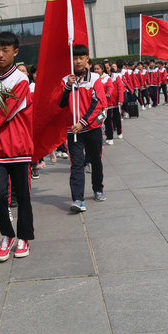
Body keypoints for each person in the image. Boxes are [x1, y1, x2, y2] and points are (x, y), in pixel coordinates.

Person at [0, 32, 34, 262]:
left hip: (18, 146)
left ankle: (23, 237)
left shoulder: (20, 81)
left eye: (5, 50)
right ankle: (7, 234)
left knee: (22, 195)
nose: (0, 54)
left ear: (15, 52)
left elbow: (4, 113)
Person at [60, 44, 106, 213]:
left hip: (92, 128)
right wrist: (67, 87)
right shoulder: (66, 80)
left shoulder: (94, 78)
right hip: (73, 131)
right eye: (74, 58)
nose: (78, 61)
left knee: (95, 160)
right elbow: (61, 103)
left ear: (87, 59)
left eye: (81, 58)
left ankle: (98, 188)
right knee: (77, 164)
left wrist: (84, 122)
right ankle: (78, 199)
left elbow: (98, 104)